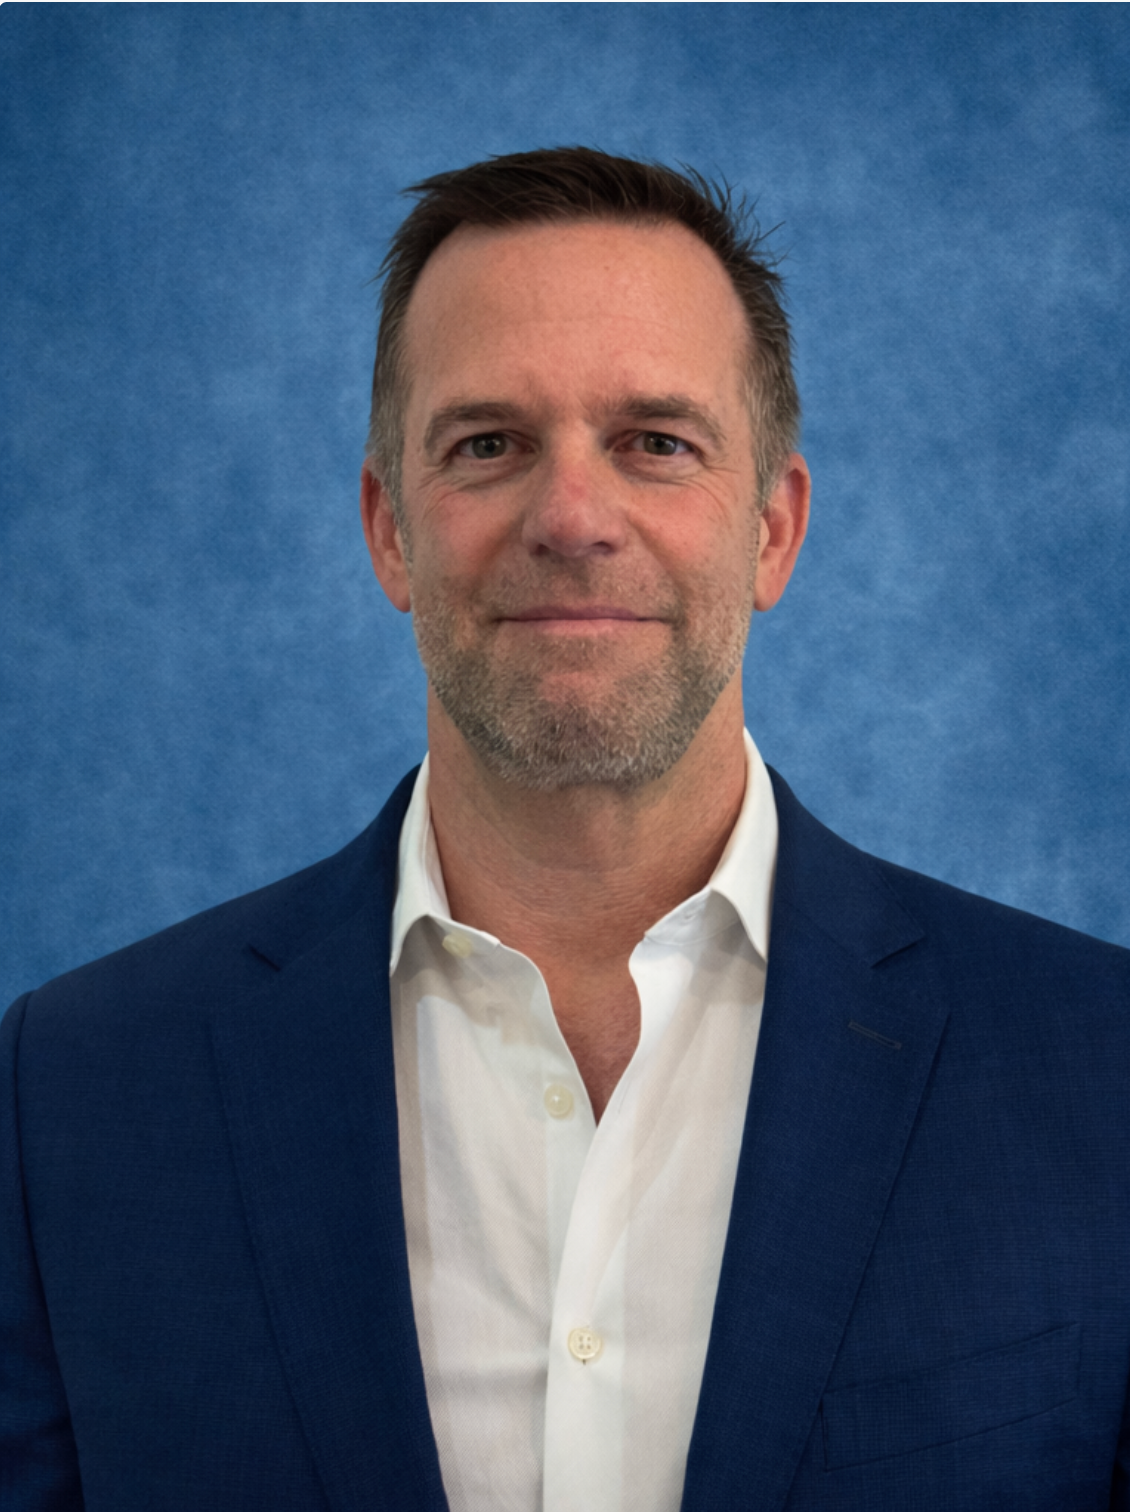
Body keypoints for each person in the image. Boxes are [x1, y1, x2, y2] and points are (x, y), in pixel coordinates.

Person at [1, 147, 1128, 1512]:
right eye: (489, 445)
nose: (571, 518)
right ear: (388, 533)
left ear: (771, 531)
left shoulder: (1094, 1072)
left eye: (654, 442)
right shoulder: (73, 1096)